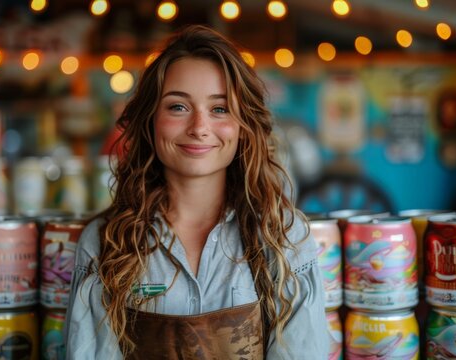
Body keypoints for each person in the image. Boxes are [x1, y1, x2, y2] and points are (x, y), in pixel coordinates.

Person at [65, 24, 329, 359]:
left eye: (219, 109)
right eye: (178, 107)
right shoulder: (105, 243)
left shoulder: (283, 238)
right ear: (150, 120)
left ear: (243, 126)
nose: (199, 128)